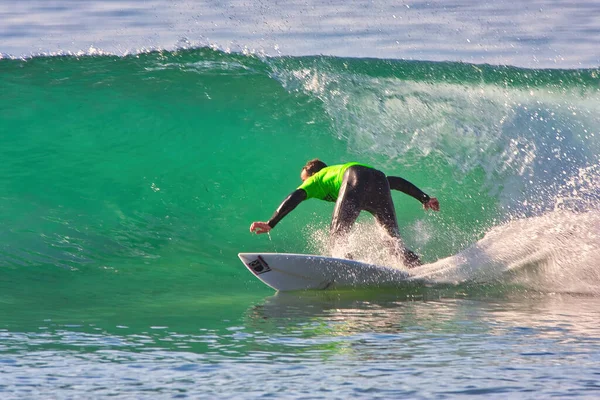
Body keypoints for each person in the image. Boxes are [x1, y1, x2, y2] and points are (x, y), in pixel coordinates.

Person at [249, 159, 439, 267]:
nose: (305, 183)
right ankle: (418, 269)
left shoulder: (318, 178)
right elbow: (395, 182)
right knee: (393, 241)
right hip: (378, 178)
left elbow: (295, 196)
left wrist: (271, 223)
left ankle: (347, 269)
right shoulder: (335, 173)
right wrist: (424, 198)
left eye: (305, 180)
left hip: (355, 176)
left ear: (312, 175)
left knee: (337, 235)